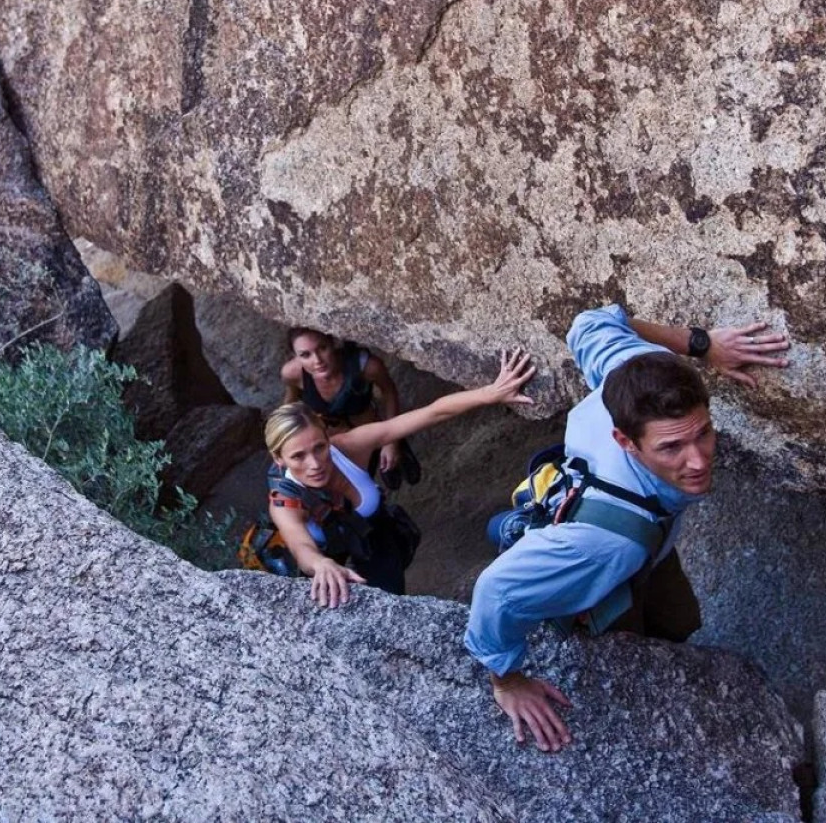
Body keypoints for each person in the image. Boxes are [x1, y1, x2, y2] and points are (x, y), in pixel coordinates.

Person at [463, 305, 790, 752]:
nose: (698, 460)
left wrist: (704, 344)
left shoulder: (629, 373)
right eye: (672, 447)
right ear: (624, 440)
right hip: (615, 541)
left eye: (704, 433)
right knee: (626, 642)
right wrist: (507, 679)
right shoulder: (606, 548)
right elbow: (497, 591)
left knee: (677, 620)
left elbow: (590, 322)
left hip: (645, 533)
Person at [267, 349, 537, 606]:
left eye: (319, 448)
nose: (315, 464)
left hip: (374, 537)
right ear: (279, 459)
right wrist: (321, 564)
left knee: (391, 598)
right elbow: (300, 545)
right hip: (327, 554)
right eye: (298, 456)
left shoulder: (348, 447)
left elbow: (431, 413)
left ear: (328, 439)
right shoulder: (284, 498)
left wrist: (490, 393)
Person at [280, 327, 420, 487]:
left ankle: (394, 447)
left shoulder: (365, 366)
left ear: (333, 343)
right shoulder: (293, 374)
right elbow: (289, 406)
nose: (317, 360)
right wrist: (283, 441)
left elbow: (389, 393)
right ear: (295, 357)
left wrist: (391, 441)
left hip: (368, 434)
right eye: (305, 355)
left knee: (392, 473)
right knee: (354, 487)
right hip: (333, 442)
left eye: (322, 348)